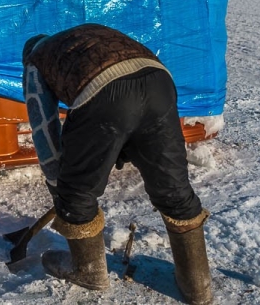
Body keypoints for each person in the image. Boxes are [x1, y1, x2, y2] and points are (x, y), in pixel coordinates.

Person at [21, 23, 211, 305]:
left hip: (105, 90)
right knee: (173, 188)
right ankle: (197, 285)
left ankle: (89, 271)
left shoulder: (36, 63)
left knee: (77, 192)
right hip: (159, 82)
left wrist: (59, 187)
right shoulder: (84, 35)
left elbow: (45, 132)